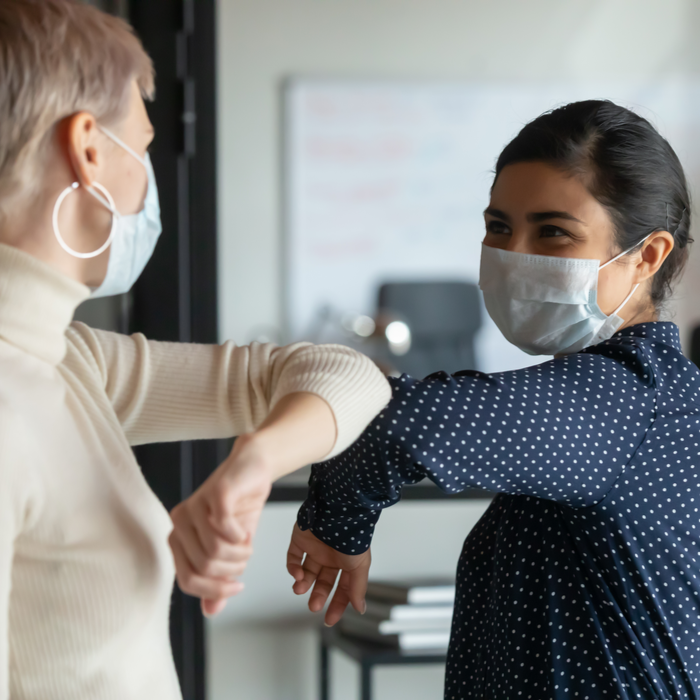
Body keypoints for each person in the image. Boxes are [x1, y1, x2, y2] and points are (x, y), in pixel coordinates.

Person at [0, 1, 390, 698]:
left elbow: (348, 374)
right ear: (88, 150)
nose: (147, 182)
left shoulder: (70, 359)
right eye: (143, 145)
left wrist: (254, 461)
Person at [284, 101, 699, 699]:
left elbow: (391, 422)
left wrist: (337, 527)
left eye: (553, 231)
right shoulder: (663, 395)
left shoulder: (623, 397)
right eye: (499, 227)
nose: (514, 255)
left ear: (648, 256)